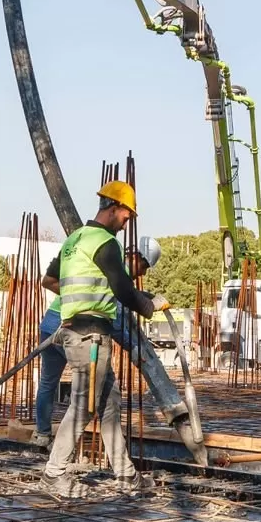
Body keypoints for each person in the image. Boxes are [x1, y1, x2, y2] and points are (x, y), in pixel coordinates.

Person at [41, 181, 167, 489]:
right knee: (84, 404)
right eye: (126, 218)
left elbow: (51, 279)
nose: (126, 226)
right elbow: (124, 290)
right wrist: (150, 305)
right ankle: (53, 474)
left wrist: (81, 299)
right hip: (90, 337)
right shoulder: (105, 242)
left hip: (77, 331)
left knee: (110, 401)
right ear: (114, 210)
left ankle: (125, 473)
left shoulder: (76, 238)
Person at [30, 235, 202, 459]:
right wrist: (135, 347)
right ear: (134, 256)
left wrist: (145, 299)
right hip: (73, 328)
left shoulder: (103, 265)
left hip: (51, 322)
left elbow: (121, 295)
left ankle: (42, 434)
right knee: (89, 391)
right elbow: (118, 320)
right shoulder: (112, 265)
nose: (143, 273)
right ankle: (60, 454)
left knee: (48, 383)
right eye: (144, 266)